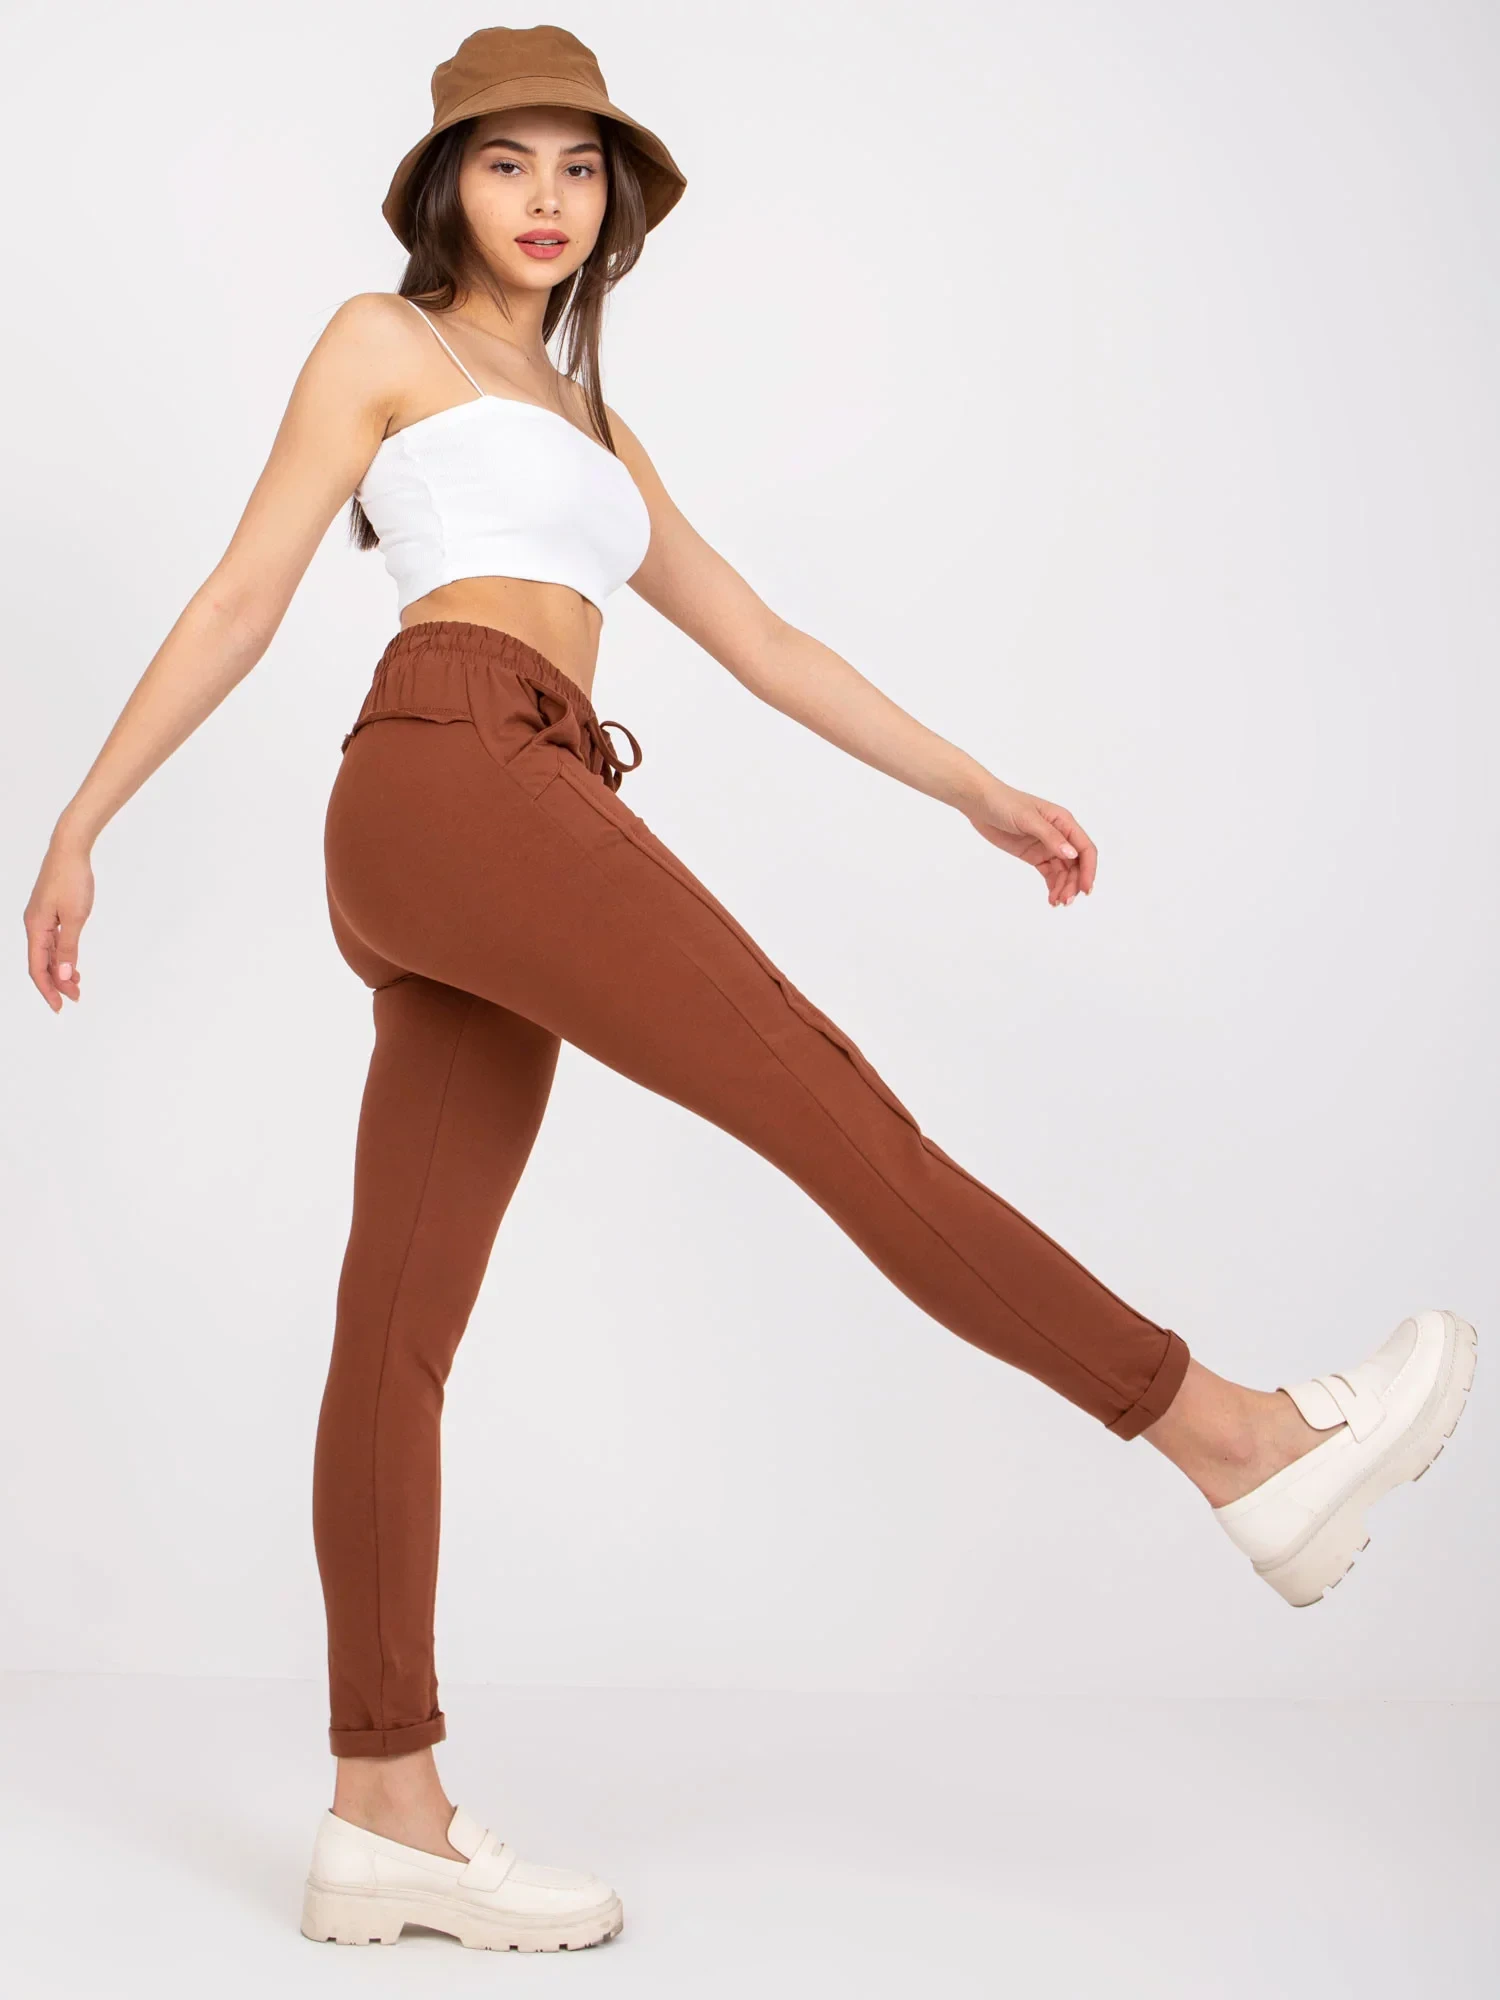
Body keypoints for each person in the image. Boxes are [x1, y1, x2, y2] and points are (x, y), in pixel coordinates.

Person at [22, 24, 1477, 1958]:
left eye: (578, 166)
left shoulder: (597, 433)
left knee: (399, 1327)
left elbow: (766, 640)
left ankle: (384, 1809)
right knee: (835, 1110)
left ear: (614, 198)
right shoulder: (383, 344)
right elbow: (242, 592)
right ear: (443, 187)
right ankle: (1237, 1441)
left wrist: (972, 787)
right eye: (505, 162)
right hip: (462, 770)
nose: (546, 198)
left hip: (493, 798)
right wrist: (83, 820)